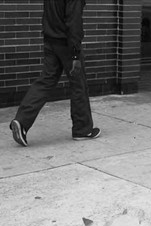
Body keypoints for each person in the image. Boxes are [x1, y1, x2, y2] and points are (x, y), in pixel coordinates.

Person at [9, 0, 100, 147]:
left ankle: (21, 121)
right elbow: (74, 20)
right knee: (79, 85)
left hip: (50, 40)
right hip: (66, 44)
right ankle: (82, 130)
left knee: (46, 80)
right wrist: (75, 54)